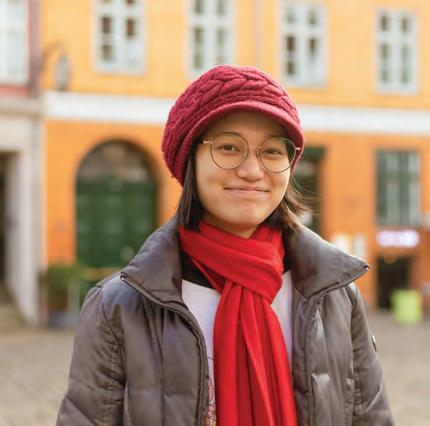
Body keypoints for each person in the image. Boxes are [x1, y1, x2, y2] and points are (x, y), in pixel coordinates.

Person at [57, 65, 394, 426]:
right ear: (190, 160)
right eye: (229, 147)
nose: (252, 170)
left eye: (272, 151)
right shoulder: (121, 305)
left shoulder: (335, 295)